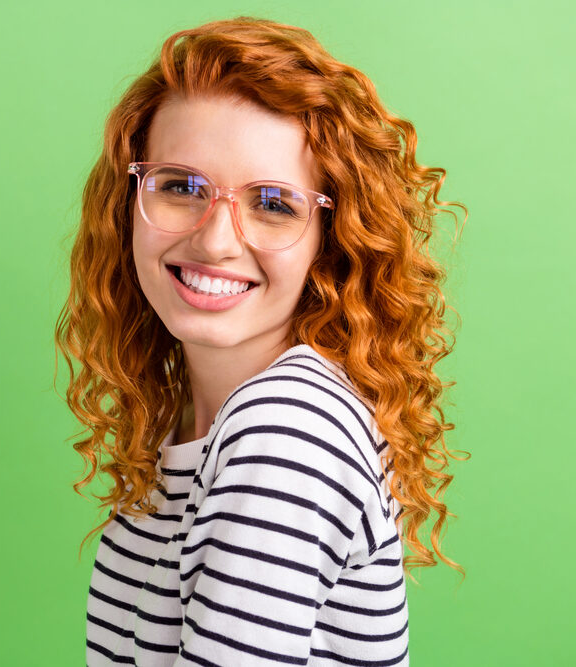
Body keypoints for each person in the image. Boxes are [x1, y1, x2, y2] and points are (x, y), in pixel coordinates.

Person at [55, 16, 469, 666]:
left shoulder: (285, 433)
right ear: (128, 201)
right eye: (181, 186)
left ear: (329, 242)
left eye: (273, 203)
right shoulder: (188, 421)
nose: (216, 240)